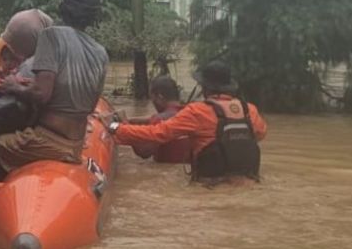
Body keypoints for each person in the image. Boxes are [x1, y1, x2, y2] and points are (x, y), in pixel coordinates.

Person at [0, 0, 109, 173]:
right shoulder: (100, 52)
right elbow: (88, 102)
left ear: (63, 8)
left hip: (46, 140)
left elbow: (41, 94)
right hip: (76, 143)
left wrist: (13, 86)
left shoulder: (51, 36)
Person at [102, 61, 267, 185]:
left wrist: (117, 128)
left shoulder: (197, 111)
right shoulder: (249, 110)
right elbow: (260, 133)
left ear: (204, 87)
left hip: (210, 186)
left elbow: (158, 134)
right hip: (248, 182)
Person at [124, 75, 189, 160]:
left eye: (152, 99)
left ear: (159, 97)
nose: (153, 103)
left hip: (165, 169)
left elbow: (144, 151)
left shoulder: (160, 119)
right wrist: (134, 121)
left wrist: (125, 128)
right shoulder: (189, 113)